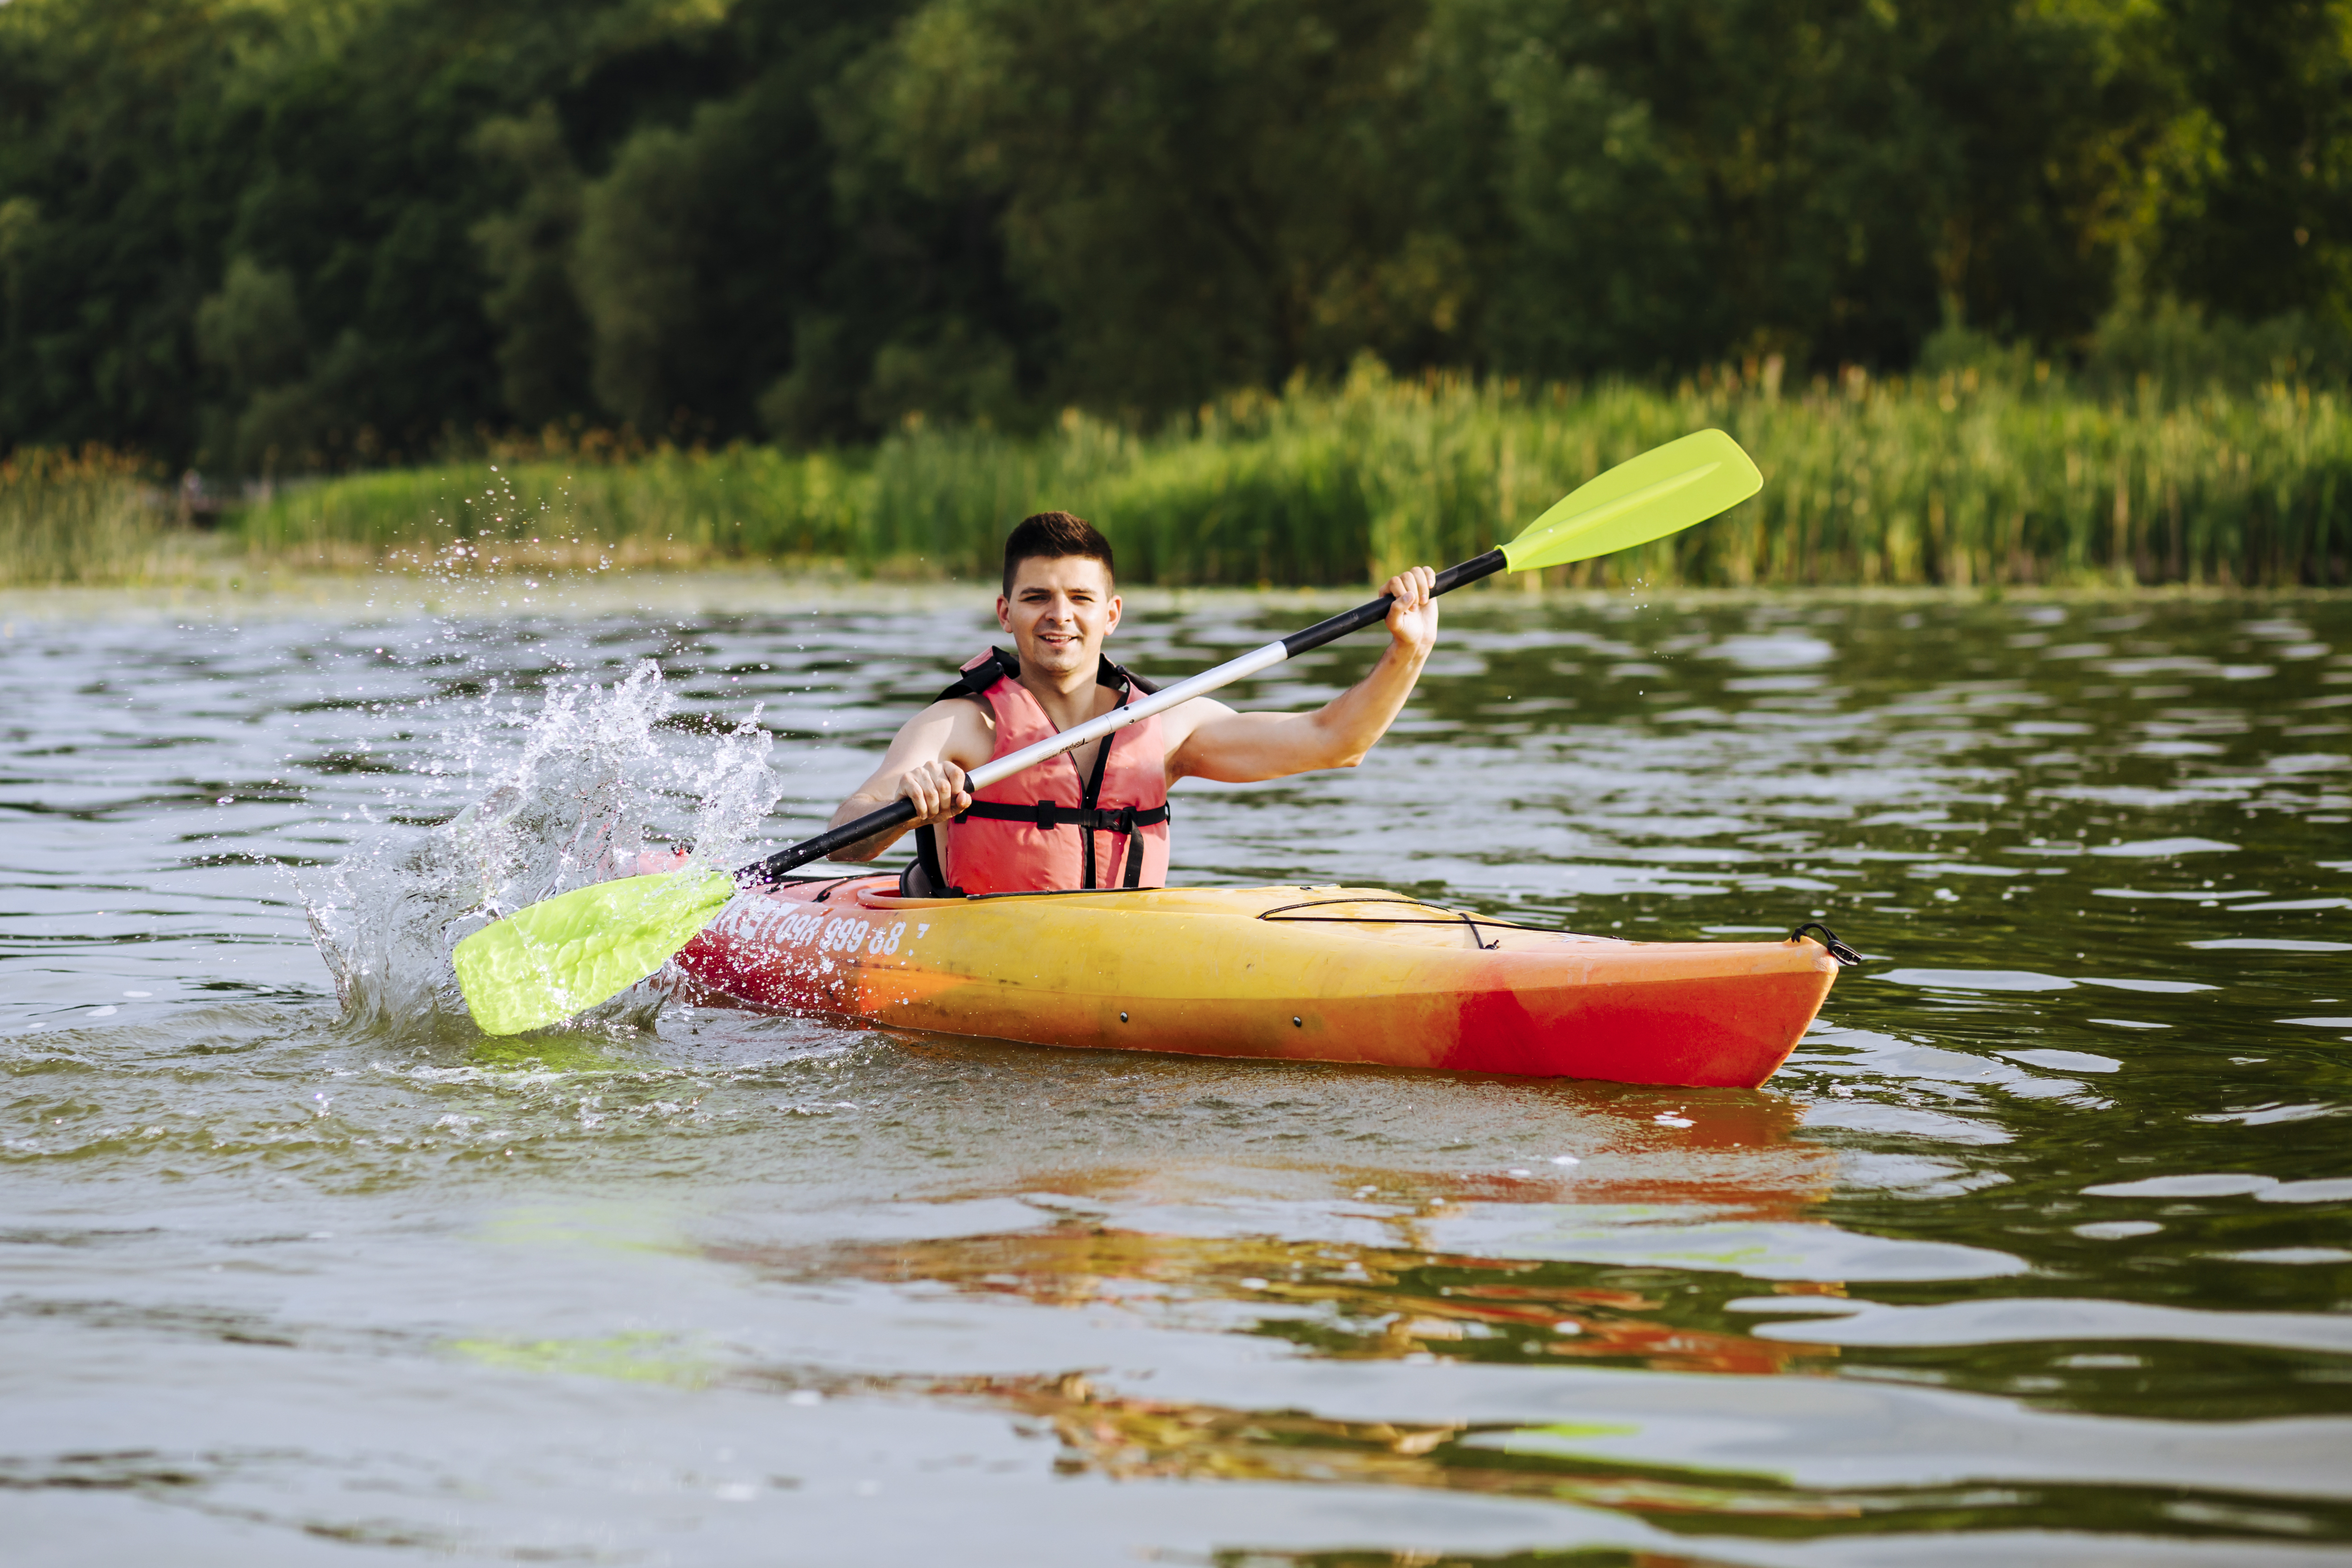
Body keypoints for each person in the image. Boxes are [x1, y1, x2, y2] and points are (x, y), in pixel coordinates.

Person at [827, 510, 1439, 897]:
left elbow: (1335, 742)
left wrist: (1407, 653)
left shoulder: (1166, 725)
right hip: (964, 952)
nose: (1059, 616)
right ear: (1004, 613)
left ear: (1111, 614)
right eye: (1036, 596)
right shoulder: (961, 725)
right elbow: (845, 836)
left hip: (1115, 959)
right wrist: (910, 807)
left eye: (1080, 598)